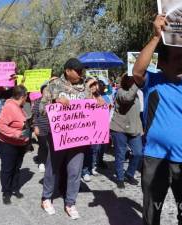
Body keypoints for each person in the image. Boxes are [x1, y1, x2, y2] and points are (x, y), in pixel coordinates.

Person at [132, 15, 182, 225]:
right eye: (176, 58)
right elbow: (137, 70)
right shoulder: (153, 81)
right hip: (156, 159)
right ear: (162, 63)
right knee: (152, 213)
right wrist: (156, 37)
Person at [40, 58, 104, 220]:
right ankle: (46, 198)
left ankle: (70, 203)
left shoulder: (86, 86)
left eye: (82, 71)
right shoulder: (53, 85)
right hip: (58, 137)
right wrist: (55, 102)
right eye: (78, 71)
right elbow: (41, 108)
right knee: (52, 168)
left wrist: (98, 102)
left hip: (80, 138)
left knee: (75, 172)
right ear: (67, 70)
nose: (81, 74)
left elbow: (93, 106)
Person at [0, 85, 30, 205]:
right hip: (7, 144)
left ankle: (15, 188)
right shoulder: (10, 107)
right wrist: (16, 133)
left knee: (16, 168)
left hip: (19, 144)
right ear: (22, 96)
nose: (27, 98)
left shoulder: (20, 107)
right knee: (7, 169)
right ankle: (6, 192)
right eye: (26, 96)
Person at [110, 73, 143, 188]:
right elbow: (127, 98)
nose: (134, 82)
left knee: (138, 152)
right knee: (121, 154)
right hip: (119, 128)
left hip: (134, 129)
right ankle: (120, 177)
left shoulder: (137, 93)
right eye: (132, 80)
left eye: (135, 81)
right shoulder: (120, 92)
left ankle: (129, 174)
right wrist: (137, 84)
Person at [33, 82, 54, 173]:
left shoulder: (54, 101)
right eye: (45, 91)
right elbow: (34, 116)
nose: (47, 93)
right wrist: (35, 127)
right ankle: (41, 162)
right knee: (43, 146)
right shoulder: (38, 101)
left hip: (52, 128)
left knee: (51, 146)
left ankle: (50, 162)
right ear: (42, 93)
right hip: (41, 127)